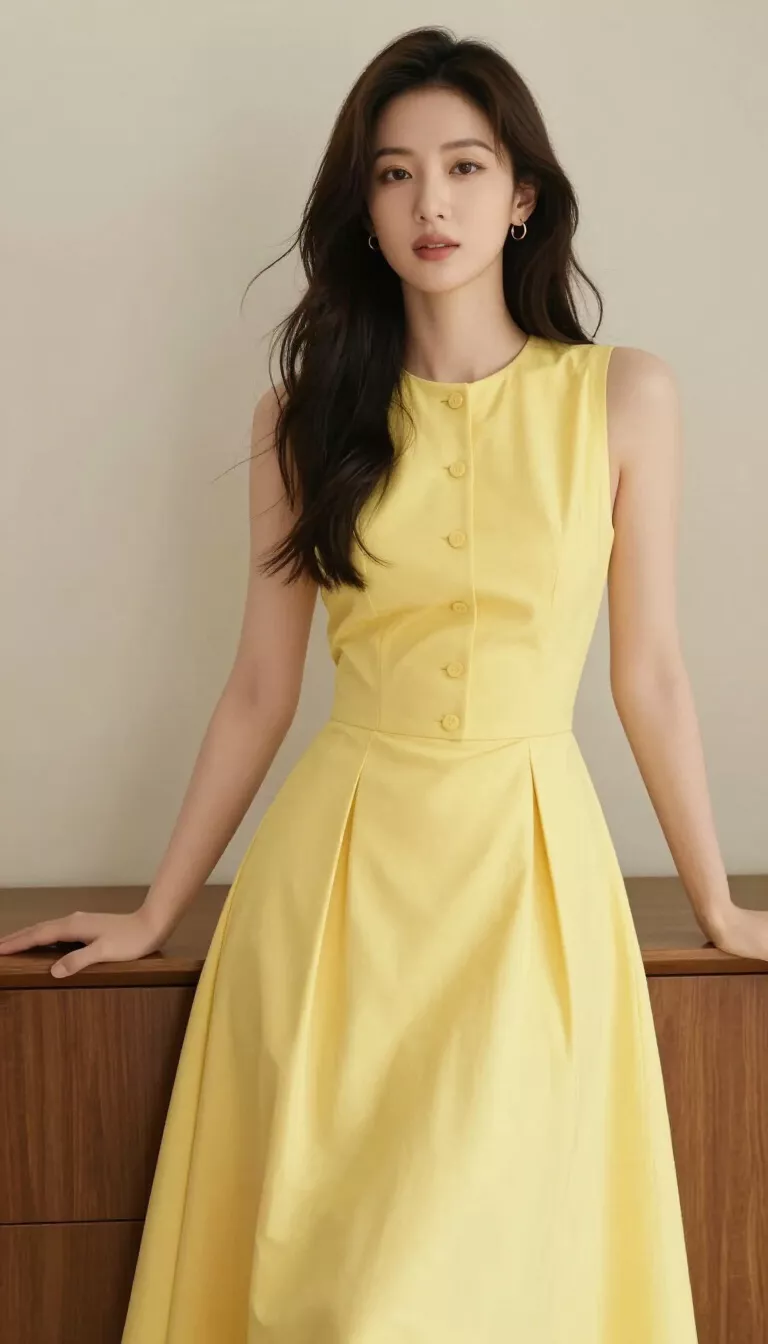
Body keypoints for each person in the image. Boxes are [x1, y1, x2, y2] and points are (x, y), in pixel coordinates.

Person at [2, 22, 766, 1343]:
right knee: (343, 1291)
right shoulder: (304, 416)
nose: (433, 202)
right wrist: (152, 911)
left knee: (488, 1281)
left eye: (467, 167)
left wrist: (716, 900)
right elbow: (258, 689)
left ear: (522, 194)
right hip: (337, 896)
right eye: (396, 172)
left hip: (531, 885)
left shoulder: (624, 397)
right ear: (360, 204)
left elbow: (650, 675)